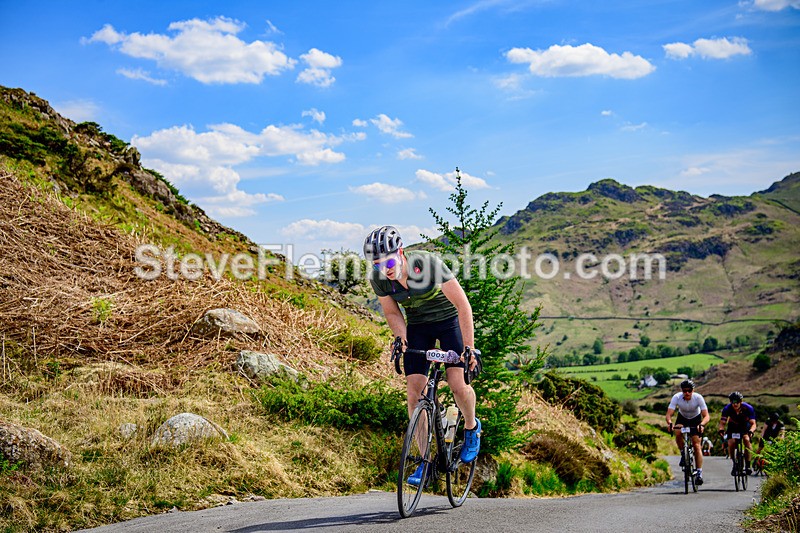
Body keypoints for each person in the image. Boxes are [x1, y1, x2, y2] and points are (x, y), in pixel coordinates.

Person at [364, 226, 481, 486]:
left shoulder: (427, 265)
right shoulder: (379, 279)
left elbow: (462, 305)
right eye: (378, 264)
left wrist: (469, 348)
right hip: (419, 327)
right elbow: (393, 313)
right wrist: (401, 338)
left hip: (448, 322)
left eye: (391, 261)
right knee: (414, 395)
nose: (386, 268)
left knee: (457, 385)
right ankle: (426, 463)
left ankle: (472, 427)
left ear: (401, 253)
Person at [665, 379, 710, 485]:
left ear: (693, 390)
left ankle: (699, 472)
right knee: (678, 432)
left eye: (689, 390)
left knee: (696, 444)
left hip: (695, 419)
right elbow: (669, 414)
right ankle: (683, 453)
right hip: (683, 418)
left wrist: (702, 424)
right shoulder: (676, 397)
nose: (687, 393)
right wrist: (670, 423)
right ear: (682, 391)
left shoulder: (698, 398)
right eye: (684, 391)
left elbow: (706, 415)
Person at [718, 391, 757, 475]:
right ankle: (734, 464)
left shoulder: (748, 408)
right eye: (733, 402)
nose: (735, 404)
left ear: (741, 401)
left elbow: (753, 424)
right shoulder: (727, 409)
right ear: (730, 402)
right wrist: (721, 429)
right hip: (733, 426)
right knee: (731, 443)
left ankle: (748, 464)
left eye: (737, 402)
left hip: (744, 425)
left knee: (746, 440)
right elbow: (722, 422)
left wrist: (751, 431)